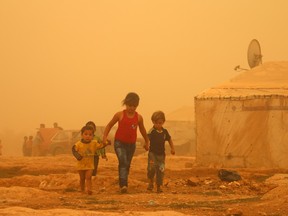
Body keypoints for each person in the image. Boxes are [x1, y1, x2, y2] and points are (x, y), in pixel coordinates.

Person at [102, 92, 150, 193]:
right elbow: (109, 125)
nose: (131, 108)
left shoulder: (139, 118)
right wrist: (104, 137)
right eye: (129, 105)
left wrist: (147, 142)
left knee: (126, 164)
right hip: (119, 143)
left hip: (131, 145)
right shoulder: (119, 115)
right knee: (123, 161)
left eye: (134, 106)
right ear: (125, 104)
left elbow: (143, 130)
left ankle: (123, 182)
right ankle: (123, 185)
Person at [72, 125, 110, 195]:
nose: (88, 136)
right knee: (82, 178)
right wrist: (78, 156)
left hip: (90, 165)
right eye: (86, 134)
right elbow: (74, 150)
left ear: (93, 136)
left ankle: (89, 190)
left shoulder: (94, 143)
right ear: (82, 135)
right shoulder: (78, 144)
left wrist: (106, 143)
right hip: (81, 165)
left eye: (90, 134)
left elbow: (100, 146)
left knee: (88, 177)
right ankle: (82, 190)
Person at [146, 111, 175, 193]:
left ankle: (159, 186)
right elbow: (147, 139)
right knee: (151, 168)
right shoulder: (152, 131)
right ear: (153, 122)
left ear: (163, 122)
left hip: (161, 155)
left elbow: (169, 140)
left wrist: (172, 148)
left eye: (160, 123)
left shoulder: (165, 132)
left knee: (161, 170)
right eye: (156, 123)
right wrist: (146, 145)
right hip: (152, 154)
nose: (158, 125)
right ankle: (150, 182)